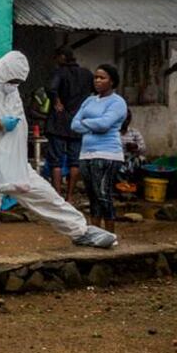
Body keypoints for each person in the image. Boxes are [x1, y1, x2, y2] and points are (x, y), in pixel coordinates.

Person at [0, 51, 117, 255]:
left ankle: (80, 231)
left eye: (18, 81)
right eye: (12, 79)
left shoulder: (12, 91)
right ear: (3, 71)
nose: (14, 84)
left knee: (44, 195)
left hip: (11, 161)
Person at [72, 64, 128, 234]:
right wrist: (92, 125)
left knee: (103, 195)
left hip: (107, 154)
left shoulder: (118, 102)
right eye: (96, 77)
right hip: (86, 153)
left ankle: (110, 234)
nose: (97, 80)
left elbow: (105, 125)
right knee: (92, 197)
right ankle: (96, 233)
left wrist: (85, 124)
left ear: (112, 81)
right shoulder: (89, 100)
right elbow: (74, 125)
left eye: (102, 78)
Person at [45, 46, 95, 202]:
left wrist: (56, 101)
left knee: (56, 161)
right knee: (75, 161)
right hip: (79, 122)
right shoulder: (87, 74)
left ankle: (57, 197)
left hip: (59, 122)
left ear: (61, 57)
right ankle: (70, 196)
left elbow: (51, 88)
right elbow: (95, 91)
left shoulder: (59, 72)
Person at [119, 109, 147, 183]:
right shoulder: (114, 133)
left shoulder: (134, 132)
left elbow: (144, 149)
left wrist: (136, 147)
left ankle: (134, 183)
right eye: (124, 119)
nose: (126, 121)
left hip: (131, 159)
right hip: (117, 158)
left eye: (128, 119)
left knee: (139, 160)